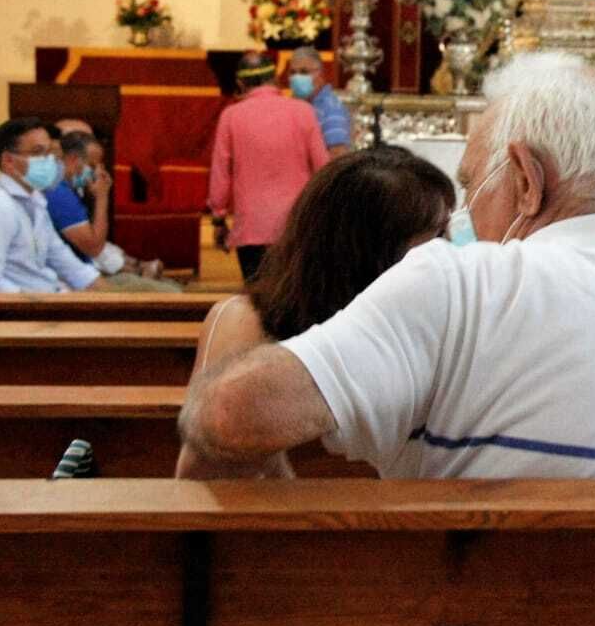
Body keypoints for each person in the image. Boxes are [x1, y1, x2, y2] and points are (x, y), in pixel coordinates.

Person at [177, 51, 595, 481]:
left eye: (473, 187)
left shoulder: (455, 287)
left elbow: (231, 419)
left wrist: (239, 331)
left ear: (527, 181)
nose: (469, 214)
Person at [177, 146, 456, 478]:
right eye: (437, 235)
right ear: (370, 251)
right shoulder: (245, 323)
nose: (449, 249)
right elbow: (201, 472)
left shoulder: (437, 321)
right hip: (288, 524)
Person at [208, 51, 328, 283]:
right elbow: (323, 169)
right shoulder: (303, 112)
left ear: (241, 84)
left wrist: (218, 218)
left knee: (257, 302)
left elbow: (221, 174)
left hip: (251, 228)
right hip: (297, 228)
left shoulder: (231, 116)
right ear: (275, 78)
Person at [0, 117, 102, 293]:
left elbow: (65, 261)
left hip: (49, 301)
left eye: (50, 152)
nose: (49, 160)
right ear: (8, 161)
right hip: (24, 312)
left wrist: (107, 297)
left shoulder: (35, 201)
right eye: (38, 152)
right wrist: (40, 305)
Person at [48, 131, 177, 291]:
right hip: (72, 284)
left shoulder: (71, 188)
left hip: (85, 273)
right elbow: (95, 247)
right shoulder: (59, 194)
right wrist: (102, 197)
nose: (97, 172)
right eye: (93, 165)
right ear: (74, 160)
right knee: (168, 292)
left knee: (169, 286)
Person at [286, 46, 352, 156]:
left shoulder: (331, 108)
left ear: (321, 74)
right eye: (293, 72)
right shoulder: (290, 105)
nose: (297, 77)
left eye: (304, 72)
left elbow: (337, 154)